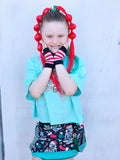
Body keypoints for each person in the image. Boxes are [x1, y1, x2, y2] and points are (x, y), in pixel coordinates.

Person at [25, 5, 87, 160]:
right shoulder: (33, 63)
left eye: (60, 36)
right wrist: (48, 64)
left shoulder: (77, 63)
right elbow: (35, 92)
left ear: (68, 35)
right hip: (45, 128)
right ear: (41, 36)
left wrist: (58, 62)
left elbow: (70, 90)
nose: (55, 41)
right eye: (49, 36)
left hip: (68, 128)